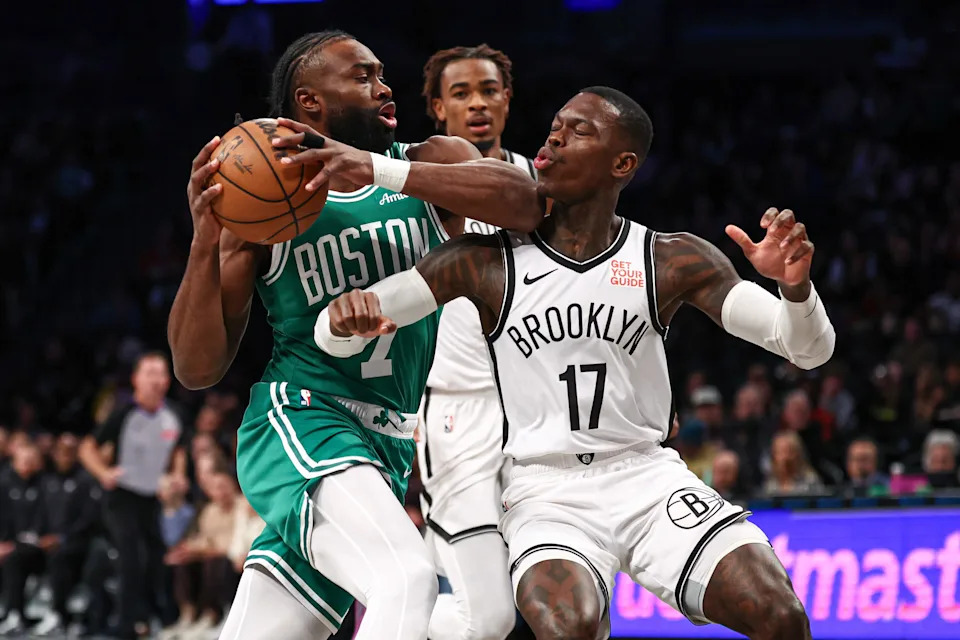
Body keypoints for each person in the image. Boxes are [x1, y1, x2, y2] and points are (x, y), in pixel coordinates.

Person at [318, 86, 837, 639]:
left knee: (780, 614)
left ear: (622, 164)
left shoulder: (670, 257)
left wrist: (795, 289)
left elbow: (807, 349)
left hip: (648, 476)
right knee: (570, 627)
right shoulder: (482, 261)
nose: (555, 137)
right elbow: (337, 334)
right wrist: (344, 320)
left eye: (579, 130)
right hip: (545, 491)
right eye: (555, 126)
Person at [168, 30, 543, 640]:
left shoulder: (432, 159)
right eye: (363, 76)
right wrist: (204, 240)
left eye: (381, 73)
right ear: (310, 101)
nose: (384, 87)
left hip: (387, 444)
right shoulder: (261, 202)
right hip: (303, 419)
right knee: (407, 579)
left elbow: (527, 204)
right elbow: (196, 368)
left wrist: (371, 166)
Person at [418, 43, 536, 640]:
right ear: (438, 109)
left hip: (540, 412)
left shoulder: (544, 184)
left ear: (507, 99)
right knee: (485, 617)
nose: (478, 104)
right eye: (460, 93)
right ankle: (394, 621)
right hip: (456, 412)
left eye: (489, 90)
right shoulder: (412, 189)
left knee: (570, 608)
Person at [78, 351, 188, 639]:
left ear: (167, 380)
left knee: (156, 558)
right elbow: (87, 447)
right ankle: (125, 624)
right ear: (136, 379)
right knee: (131, 557)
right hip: (122, 498)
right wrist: (103, 472)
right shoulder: (123, 414)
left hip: (152, 499)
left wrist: (177, 475)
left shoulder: (173, 415)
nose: (155, 380)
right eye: (149, 373)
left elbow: (179, 448)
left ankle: (151, 617)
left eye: (160, 373)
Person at [30, 434, 101, 637]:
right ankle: (14, 612)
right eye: (62, 452)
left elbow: (88, 518)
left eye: (70, 452)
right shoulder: (47, 480)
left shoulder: (86, 480)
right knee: (17, 556)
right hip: (45, 540)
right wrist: (39, 535)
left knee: (59, 556)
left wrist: (62, 538)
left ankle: (58, 613)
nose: (65, 457)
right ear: (55, 454)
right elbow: (40, 513)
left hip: (77, 542)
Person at [0, 442, 46, 635]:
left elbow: (44, 520)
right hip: (7, 543)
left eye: (31, 460)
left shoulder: (44, 485)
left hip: (34, 545)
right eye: (24, 460)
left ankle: (14, 614)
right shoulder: (4, 484)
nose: (28, 464)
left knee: (13, 559)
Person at [762, 431, 826, 497]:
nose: (785, 458)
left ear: (798, 454)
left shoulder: (810, 480)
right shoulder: (770, 483)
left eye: (789, 452)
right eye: (779, 452)